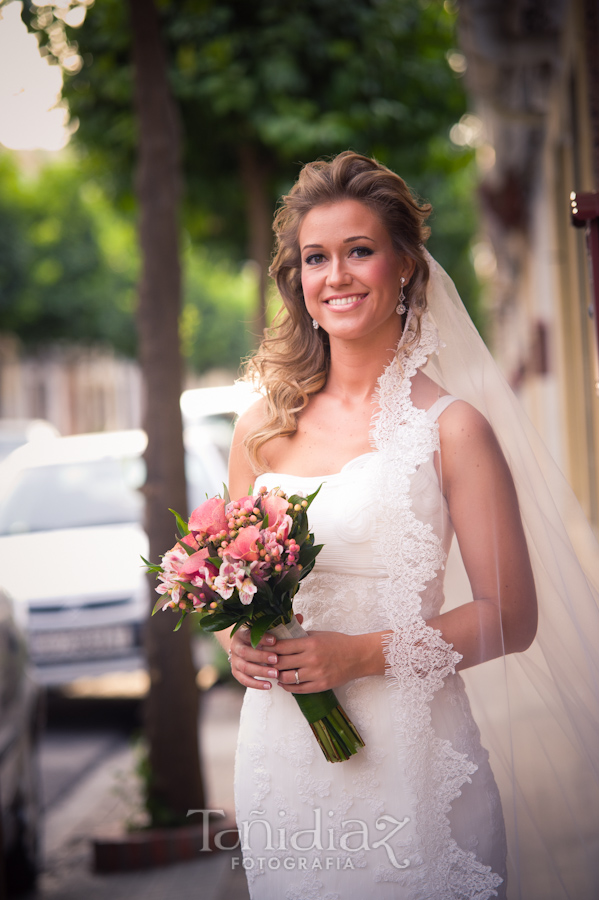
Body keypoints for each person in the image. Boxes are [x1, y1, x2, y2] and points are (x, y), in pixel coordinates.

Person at [219, 152, 599, 900]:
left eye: (359, 250)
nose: (336, 276)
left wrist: (357, 656)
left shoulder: (450, 428)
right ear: (296, 279)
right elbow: (239, 583)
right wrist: (239, 643)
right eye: (315, 258)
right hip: (281, 753)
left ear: (404, 266)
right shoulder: (259, 430)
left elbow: (509, 619)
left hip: (411, 761)